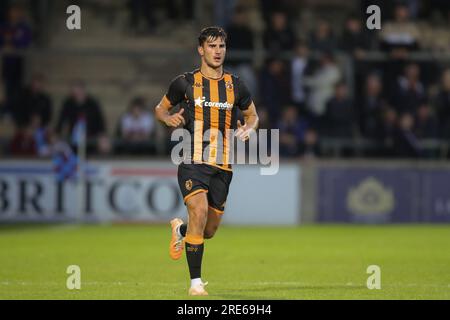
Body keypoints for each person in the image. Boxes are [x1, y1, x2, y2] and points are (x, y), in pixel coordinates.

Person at [154, 27, 259, 296]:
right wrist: (168, 119)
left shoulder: (236, 84)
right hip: (192, 159)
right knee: (198, 211)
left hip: (223, 165)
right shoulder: (185, 82)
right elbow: (161, 108)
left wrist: (248, 129)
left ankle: (181, 230)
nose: (217, 51)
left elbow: (252, 116)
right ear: (201, 49)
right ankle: (195, 284)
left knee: (207, 230)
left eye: (221, 46)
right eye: (211, 46)